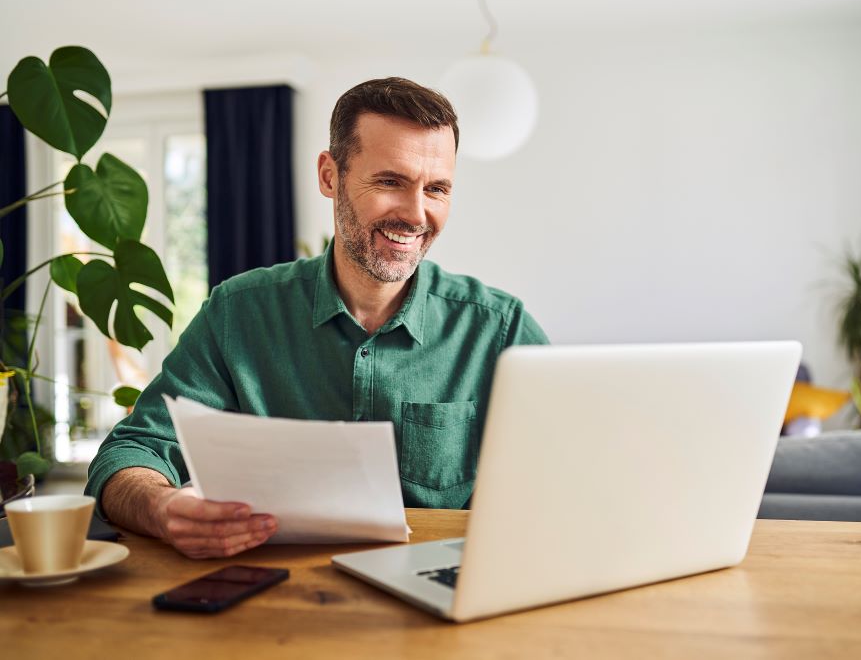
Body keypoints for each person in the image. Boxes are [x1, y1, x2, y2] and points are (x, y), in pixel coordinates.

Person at [84, 77, 548, 559]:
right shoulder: (238, 313)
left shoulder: (501, 329)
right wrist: (161, 508)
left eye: (436, 189)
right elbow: (131, 453)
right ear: (330, 176)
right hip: (275, 600)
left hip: (445, 595)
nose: (416, 213)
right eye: (390, 181)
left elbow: (576, 472)